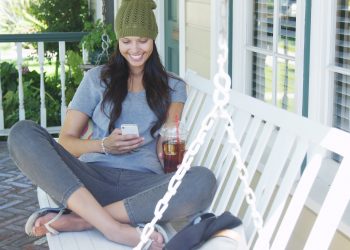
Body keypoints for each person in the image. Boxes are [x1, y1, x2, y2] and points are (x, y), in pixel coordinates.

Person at [7, 0, 217, 249]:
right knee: (22, 133)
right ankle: (113, 228)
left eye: (143, 40)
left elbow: (171, 133)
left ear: (153, 39)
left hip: (143, 191)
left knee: (203, 180)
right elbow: (66, 142)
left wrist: (166, 145)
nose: (135, 49)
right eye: (127, 41)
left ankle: (81, 221)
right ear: (118, 41)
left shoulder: (173, 86)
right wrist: (104, 145)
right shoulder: (97, 79)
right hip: (86, 184)